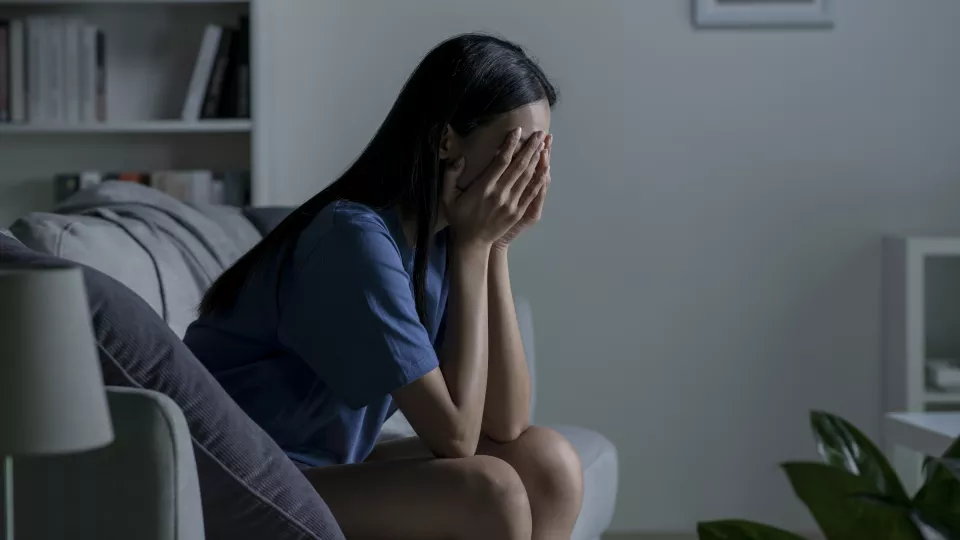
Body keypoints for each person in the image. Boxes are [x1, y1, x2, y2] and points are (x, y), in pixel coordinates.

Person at [184, 33, 583, 540]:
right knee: (491, 488)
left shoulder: (444, 241)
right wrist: (474, 248)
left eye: (538, 152)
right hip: (242, 479)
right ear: (446, 142)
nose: (525, 173)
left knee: (549, 463)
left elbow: (505, 424)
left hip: (321, 467)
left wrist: (496, 246)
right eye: (514, 149)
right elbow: (457, 440)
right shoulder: (353, 239)